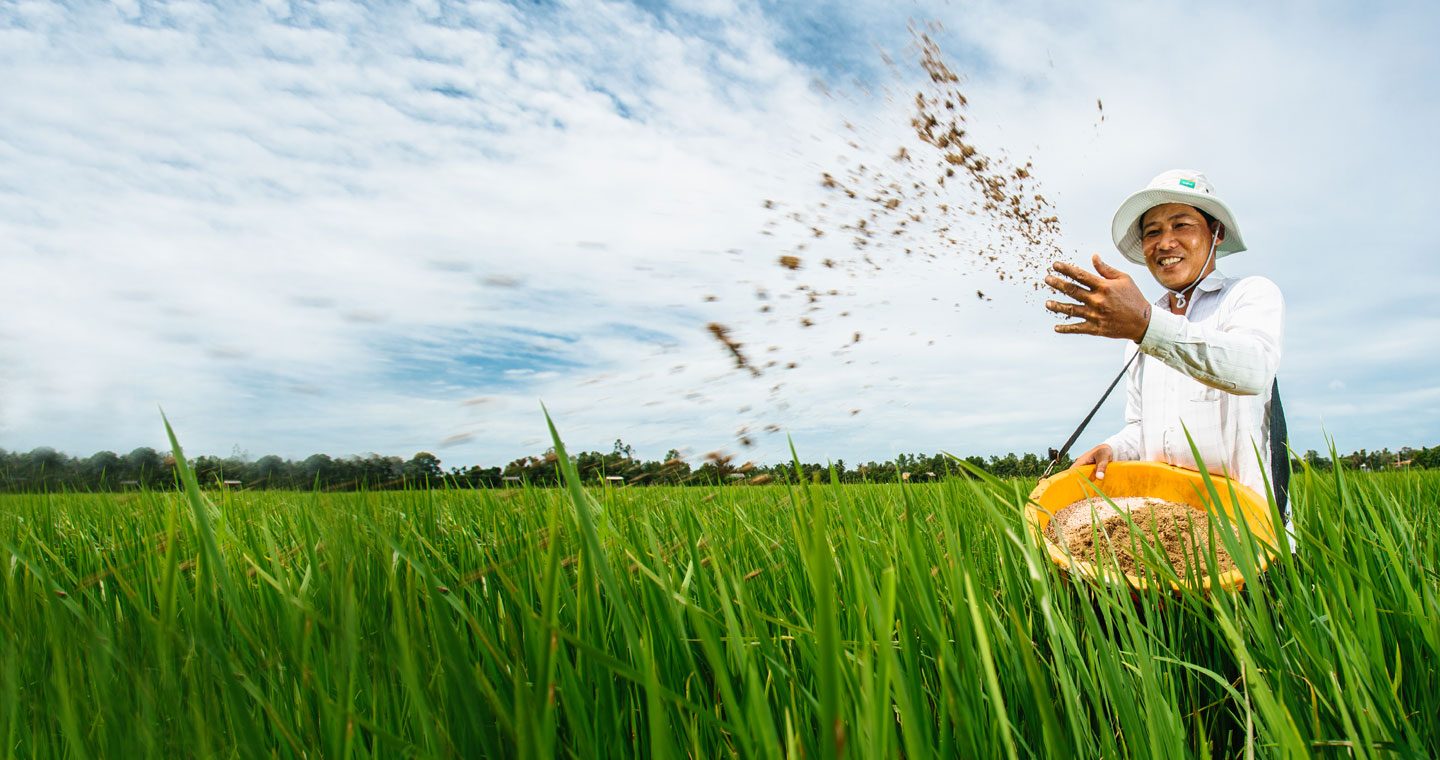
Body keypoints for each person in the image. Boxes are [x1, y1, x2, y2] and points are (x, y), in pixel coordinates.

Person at [1043, 169, 1290, 534]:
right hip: (1167, 534)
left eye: (1182, 225)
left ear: (1216, 233)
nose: (1166, 242)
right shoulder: (1141, 333)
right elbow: (1145, 428)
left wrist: (1146, 325)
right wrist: (1113, 448)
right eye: (1153, 232)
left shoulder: (1249, 295)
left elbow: (1253, 371)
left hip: (1247, 533)